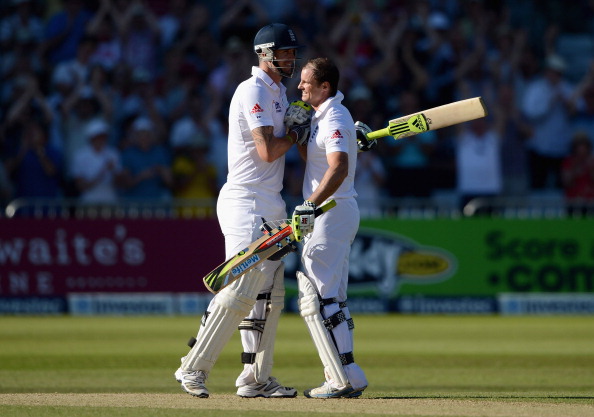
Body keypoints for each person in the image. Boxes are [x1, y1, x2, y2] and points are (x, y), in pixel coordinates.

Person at [175, 23, 310, 399]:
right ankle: (192, 368)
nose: (290, 59)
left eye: (292, 53)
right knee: (241, 289)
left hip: (271, 199)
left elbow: (286, 146)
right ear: (265, 54)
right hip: (245, 200)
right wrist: (297, 132)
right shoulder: (251, 90)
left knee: (270, 296)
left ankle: (255, 378)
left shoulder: (279, 93)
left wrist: (306, 128)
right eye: (284, 53)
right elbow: (268, 151)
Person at [292, 57, 368, 398]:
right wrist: (299, 137)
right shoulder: (326, 116)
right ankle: (350, 373)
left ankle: (339, 379)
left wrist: (311, 204)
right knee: (333, 298)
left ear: (325, 87)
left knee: (320, 300)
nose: (299, 86)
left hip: (330, 211)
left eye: (306, 82)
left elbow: (338, 168)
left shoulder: (335, 116)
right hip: (334, 212)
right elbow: (320, 161)